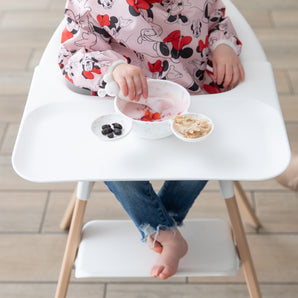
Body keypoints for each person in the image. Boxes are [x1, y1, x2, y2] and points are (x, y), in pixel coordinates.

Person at [58, 0, 245, 279]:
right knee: (112, 165)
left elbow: (216, 18)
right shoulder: (91, 5)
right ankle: (166, 234)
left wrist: (223, 46)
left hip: (188, 96)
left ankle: (162, 221)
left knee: (208, 149)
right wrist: (113, 69)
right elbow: (72, 52)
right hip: (124, 104)